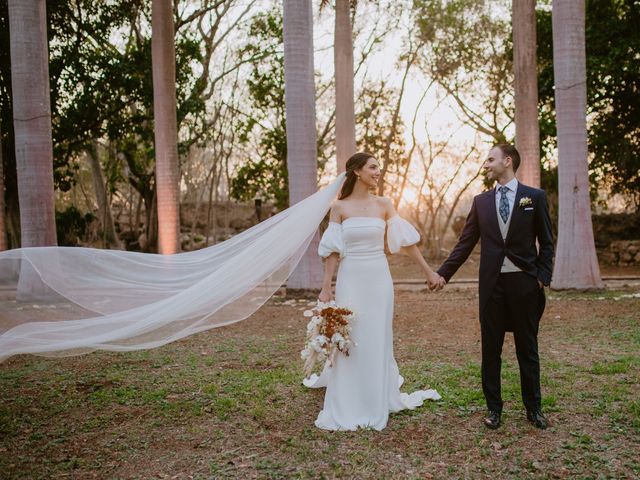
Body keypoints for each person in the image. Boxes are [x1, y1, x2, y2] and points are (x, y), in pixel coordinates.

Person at [303, 152, 442, 431]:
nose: (378, 172)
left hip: (379, 279)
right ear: (356, 171)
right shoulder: (339, 207)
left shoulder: (385, 204)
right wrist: (326, 287)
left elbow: (406, 243)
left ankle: (376, 395)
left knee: (377, 335)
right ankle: (349, 399)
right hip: (351, 276)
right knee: (352, 334)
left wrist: (428, 272)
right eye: (373, 167)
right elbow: (331, 251)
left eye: (379, 167)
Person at [432, 144, 554, 430]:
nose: (485, 165)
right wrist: (443, 274)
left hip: (525, 284)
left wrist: (541, 277)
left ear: (507, 161)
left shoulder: (534, 197)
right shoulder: (481, 202)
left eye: (490, 159)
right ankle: (494, 409)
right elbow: (465, 243)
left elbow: (547, 242)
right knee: (491, 350)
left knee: (527, 348)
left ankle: (534, 408)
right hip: (491, 286)